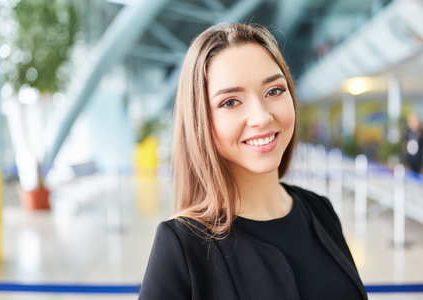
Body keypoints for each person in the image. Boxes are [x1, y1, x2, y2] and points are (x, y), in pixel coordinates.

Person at [138, 23, 367, 300]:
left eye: (274, 91)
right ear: (201, 122)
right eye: (230, 102)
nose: (261, 117)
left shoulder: (320, 210)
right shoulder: (183, 245)